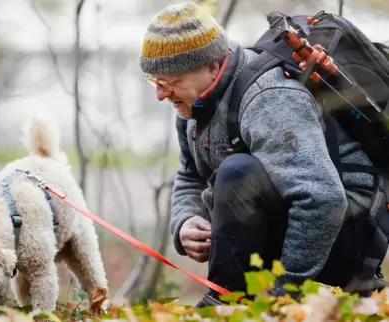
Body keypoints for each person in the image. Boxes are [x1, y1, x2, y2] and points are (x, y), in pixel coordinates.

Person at [138, 2, 388, 307]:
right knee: (235, 173)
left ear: (212, 65)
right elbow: (190, 174)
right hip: (297, 228)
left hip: (348, 234)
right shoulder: (192, 105)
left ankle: (224, 303)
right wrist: (185, 220)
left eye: (171, 81)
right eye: (155, 81)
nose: (161, 94)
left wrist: (285, 293)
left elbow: (322, 199)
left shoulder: (269, 98)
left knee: (238, 172)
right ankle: (232, 298)